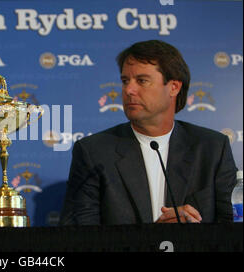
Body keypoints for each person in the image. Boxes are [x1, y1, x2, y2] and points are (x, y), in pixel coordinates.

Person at [60, 40, 237, 225]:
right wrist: (153, 239)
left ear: (173, 87)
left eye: (142, 81)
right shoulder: (94, 152)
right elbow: (78, 235)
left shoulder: (212, 148)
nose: (129, 90)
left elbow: (234, 229)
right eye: (125, 81)